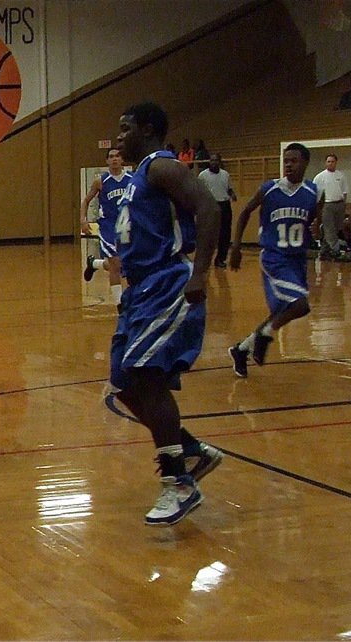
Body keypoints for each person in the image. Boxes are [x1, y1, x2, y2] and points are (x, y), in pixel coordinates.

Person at [110, 102, 223, 526]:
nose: (119, 137)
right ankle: (190, 450)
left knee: (144, 375)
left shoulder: (162, 167)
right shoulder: (139, 176)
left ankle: (178, 483)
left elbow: (209, 208)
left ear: (149, 129)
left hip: (166, 283)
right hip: (139, 290)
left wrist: (200, 273)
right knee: (122, 385)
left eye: (125, 128)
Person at [227, 143, 319, 377]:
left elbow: (314, 223)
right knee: (301, 305)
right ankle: (265, 336)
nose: (288, 164)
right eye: (286, 160)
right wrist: (236, 246)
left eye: (294, 160)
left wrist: (317, 229)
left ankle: (241, 349)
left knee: (281, 312)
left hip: (297, 260)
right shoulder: (270, 189)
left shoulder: (313, 192)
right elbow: (245, 212)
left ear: (305, 163)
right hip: (274, 258)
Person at [81, 147, 131, 305]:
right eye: (111, 156)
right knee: (116, 263)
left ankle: (94, 263)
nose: (115, 159)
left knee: (123, 264)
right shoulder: (101, 181)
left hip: (127, 225)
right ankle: (119, 304)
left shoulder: (132, 178)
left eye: (117, 156)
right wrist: (83, 220)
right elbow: (86, 201)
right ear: (107, 161)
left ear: (122, 159)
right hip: (108, 226)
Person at [198, 153, 238, 268]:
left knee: (225, 234)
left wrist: (233, 194)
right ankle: (204, 259)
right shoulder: (203, 175)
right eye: (212, 160)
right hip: (210, 205)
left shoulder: (225, 174)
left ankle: (220, 259)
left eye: (216, 160)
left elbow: (229, 189)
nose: (213, 162)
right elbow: (199, 191)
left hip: (224, 205)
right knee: (208, 234)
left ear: (220, 162)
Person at [313, 154, 349, 258]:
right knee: (329, 229)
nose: (330, 163)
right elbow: (316, 193)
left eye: (332, 161)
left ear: (336, 163)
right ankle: (336, 250)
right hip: (327, 205)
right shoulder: (320, 177)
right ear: (325, 163)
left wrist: (344, 205)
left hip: (339, 204)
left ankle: (324, 250)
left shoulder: (341, 175)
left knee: (336, 228)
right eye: (328, 161)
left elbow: (345, 191)